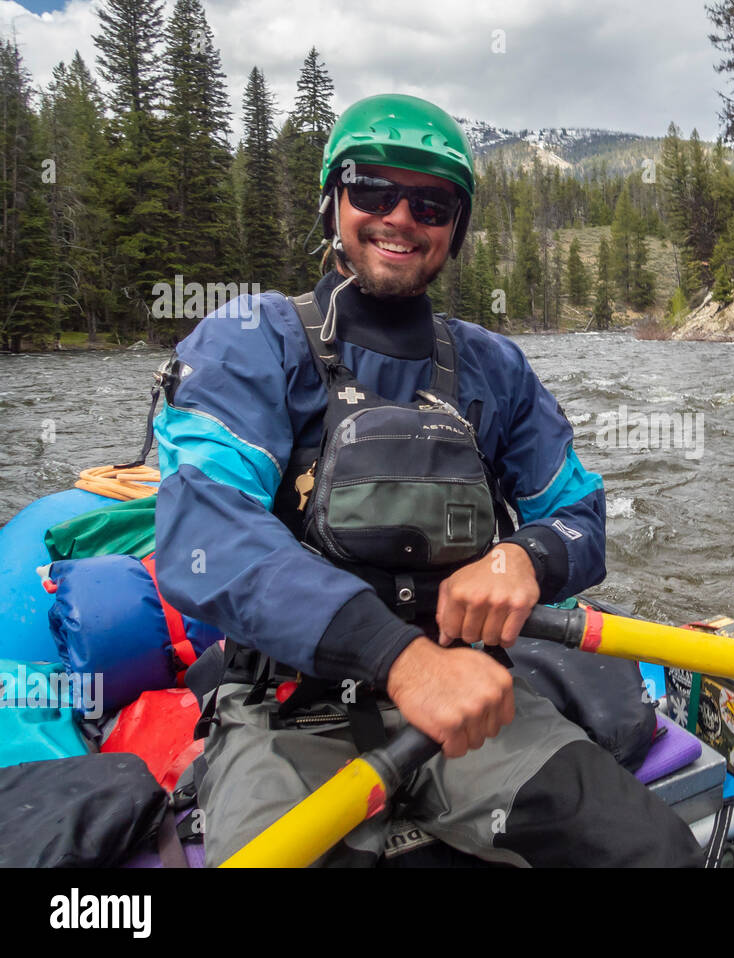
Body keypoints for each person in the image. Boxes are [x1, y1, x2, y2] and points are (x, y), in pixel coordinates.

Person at [153, 93, 704, 867]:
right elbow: (203, 535)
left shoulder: (493, 367)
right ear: (333, 201)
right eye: (372, 190)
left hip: (478, 709)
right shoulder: (251, 340)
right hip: (288, 717)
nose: (401, 217)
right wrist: (402, 662)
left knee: (654, 851)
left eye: (432, 202)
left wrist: (527, 557)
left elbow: (580, 514)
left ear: (457, 224)